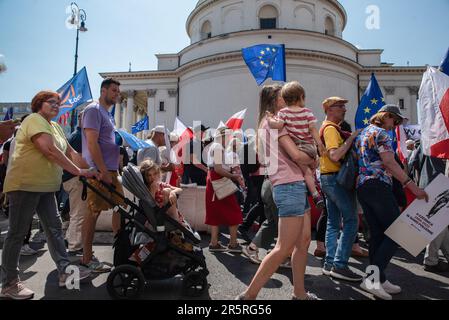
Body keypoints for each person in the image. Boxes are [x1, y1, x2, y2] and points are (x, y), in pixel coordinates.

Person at [0, 91, 94, 300]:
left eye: (58, 103)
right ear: (38, 104)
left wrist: (94, 170)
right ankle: (9, 284)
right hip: (25, 185)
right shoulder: (34, 120)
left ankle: (65, 272)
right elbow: (49, 150)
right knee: (17, 233)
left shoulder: (56, 127)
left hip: (46, 187)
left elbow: (72, 154)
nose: (56, 105)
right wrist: (79, 172)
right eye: (51, 102)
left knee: (54, 228)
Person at [237, 84, 318, 301]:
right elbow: (298, 156)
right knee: (283, 248)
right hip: (289, 185)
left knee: (303, 242)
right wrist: (315, 157)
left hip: (293, 184)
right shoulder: (275, 123)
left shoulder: (272, 122)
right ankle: (249, 296)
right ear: (276, 100)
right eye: (284, 96)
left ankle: (299, 293)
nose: (289, 100)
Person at [355, 105, 429, 300]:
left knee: (379, 234)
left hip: (363, 186)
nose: (394, 126)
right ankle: (372, 279)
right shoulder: (381, 134)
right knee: (399, 232)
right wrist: (413, 187)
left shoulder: (363, 133)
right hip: (378, 186)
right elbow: (389, 162)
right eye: (394, 121)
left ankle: (379, 278)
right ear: (386, 116)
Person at [81, 78, 126, 272]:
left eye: (118, 91)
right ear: (103, 90)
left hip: (111, 169)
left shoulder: (109, 115)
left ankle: (120, 248)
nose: (117, 94)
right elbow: (92, 143)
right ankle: (87, 257)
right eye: (114, 90)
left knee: (121, 206)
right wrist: (101, 171)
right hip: (100, 171)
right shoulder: (93, 110)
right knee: (93, 212)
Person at [319, 97, 363, 282]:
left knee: (333, 222)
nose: (344, 109)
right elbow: (335, 155)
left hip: (329, 179)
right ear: (330, 109)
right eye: (340, 107)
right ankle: (340, 265)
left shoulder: (327, 127)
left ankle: (330, 263)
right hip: (335, 179)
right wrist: (351, 138)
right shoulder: (330, 129)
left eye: (344, 106)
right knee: (352, 220)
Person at [266, 81, 325, 209]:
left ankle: (315, 194)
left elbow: (278, 125)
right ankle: (315, 190)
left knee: (306, 171)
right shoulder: (307, 112)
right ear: (301, 96)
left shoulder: (283, 113)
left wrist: (270, 119)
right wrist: (319, 144)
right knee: (311, 169)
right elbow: (313, 129)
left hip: (298, 146)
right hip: (310, 147)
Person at [409, 142, 449, 273]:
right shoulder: (441, 138)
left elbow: (414, 163)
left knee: (440, 224)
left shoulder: (426, 138)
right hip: (441, 185)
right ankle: (431, 260)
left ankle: (433, 259)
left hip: (428, 183)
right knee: (439, 223)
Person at [205, 127, 244, 253]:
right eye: (228, 136)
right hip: (219, 180)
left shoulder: (215, 146)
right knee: (234, 210)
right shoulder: (217, 146)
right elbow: (218, 168)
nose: (230, 138)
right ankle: (233, 244)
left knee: (214, 211)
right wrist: (233, 176)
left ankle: (214, 243)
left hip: (214, 180)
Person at [62, 112, 87, 258]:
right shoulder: (79, 137)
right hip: (77, 178)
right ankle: (75, 246)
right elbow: (79, 161)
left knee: (75, 213)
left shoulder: (76, 135)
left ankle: (70, 239)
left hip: (72, 178)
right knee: (79, 214)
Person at [139, 159, 185, 225]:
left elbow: (179, 190)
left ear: (158, 173)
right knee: (167, 191)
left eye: (154, 174)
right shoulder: (145, 189)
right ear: (145, 177)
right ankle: (176, 225)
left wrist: (173, 192)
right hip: (157, 216)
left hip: (170, 215)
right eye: (149, 175)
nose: (153, 177)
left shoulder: (161, 185)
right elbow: (151, 205)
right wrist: (153, 190)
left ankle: (176, 223)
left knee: (167, 191)